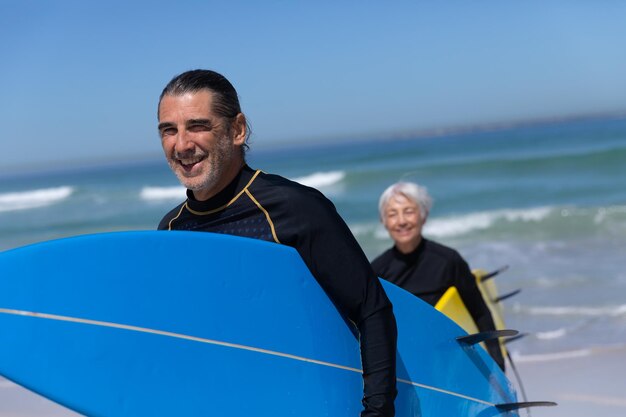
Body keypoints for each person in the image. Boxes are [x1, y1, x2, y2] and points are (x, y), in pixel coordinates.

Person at [156, 69, 397, 416]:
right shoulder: (170, 231)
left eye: (198, 125)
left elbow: (372, 311)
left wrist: (376, 412)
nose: (181, 144)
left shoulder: (295, 209)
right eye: (168, 130)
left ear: (237, 129)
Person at [371, 181, 505, 371]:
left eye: (409, 211)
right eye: (392, 214)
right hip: (405, 362)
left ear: (423, 215)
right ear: (383, 221)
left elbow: (480, 312)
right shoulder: (377, 272)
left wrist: (498, 365)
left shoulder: (448, 260)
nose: (401, 221)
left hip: (445, 358)